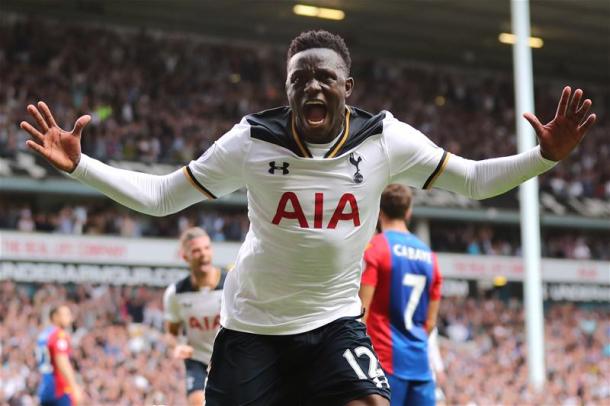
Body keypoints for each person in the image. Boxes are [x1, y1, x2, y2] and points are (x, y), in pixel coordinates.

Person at [21, 29, 596, 405]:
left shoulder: (384, 140)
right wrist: (80, 167)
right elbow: (162, 196)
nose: (313, 86)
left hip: (333, 323)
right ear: (288, 89)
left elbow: (472, 179)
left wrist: (544, 157)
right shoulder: (251, 141)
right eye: (301, 79)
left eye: (325, 77)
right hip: (252, 326)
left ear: (348, 87)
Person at [360, 184, 441, 406]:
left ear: (379, 211)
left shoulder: (375, 249)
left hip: (385, 363)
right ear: (408, 212)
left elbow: (361, 313)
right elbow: (431, 323)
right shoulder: (429, 256)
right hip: (420, 365)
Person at [163, 227, 225, 406]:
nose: (203, 254)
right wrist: (177, 346)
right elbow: (171, 333)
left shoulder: (230, 284)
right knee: (197, 402)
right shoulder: (175, 294)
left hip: (228, 357)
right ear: (185, 257)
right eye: (196, 250)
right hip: (197, 360)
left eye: (207, 248)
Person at [36, 305, 83, 406]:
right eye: (66, 315)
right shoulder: (59, 335)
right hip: (59, 388)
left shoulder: (43, 335)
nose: (70, 318)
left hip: (45, 387)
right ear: (55, 317)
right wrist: (74, 386)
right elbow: (62, 362)